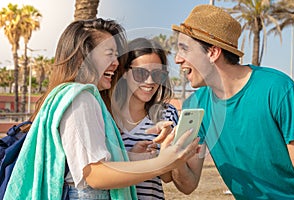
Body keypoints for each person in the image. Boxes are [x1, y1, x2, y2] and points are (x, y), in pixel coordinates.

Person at [3, 18, 200, 200]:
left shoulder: (64, 96)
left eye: (117, 55)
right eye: (109, 54)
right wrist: (161, 162)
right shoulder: (82, 98)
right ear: (84, 57)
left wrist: (129, 155)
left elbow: (74, 163)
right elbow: (93, 174)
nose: (116, 63)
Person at [170, 4, 294, 199]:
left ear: (213, 52)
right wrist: (174, 154)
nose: (177, 59)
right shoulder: (195, 105)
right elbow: (188, 185)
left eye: (185, 50)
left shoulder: (278, 90)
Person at [111, 37, 179, 199]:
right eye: (141, 73)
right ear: (125, 73)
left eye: (158, 75)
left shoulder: (167, 114)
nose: (150, 82)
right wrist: (132, 158)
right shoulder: (106, 114)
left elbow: (167, 177)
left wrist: (165, 148)